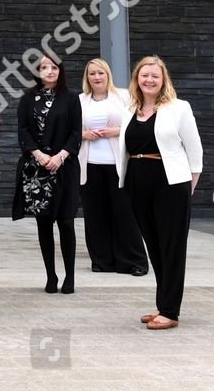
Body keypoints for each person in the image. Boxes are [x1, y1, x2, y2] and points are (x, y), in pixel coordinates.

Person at [117, 55, 202, 331]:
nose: (149, 80)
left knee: (172, 246)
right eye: (144, 75)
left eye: (155, 75)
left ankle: (170, 310)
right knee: (154, 244)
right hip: (137, 183)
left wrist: (189, 186)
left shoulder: (179, 108)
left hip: (170, 183)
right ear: (137, 79)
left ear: (163, 79)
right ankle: (162, 303)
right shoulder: (130, 108)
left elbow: (195, 151)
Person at [12, 56, 82, 295]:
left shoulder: (72, 98)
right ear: (37, 72)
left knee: (66, 222)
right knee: (44, 223)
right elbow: (22, 130)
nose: (49, 71)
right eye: (44, 68)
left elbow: (76, 132)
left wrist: (60, 156)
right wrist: (39, 155)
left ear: (60, 70)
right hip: (37, 169)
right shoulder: (27, 99)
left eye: (54, 67)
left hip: (65, 167)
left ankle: (69, 277)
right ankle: (51, 275)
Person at [78, 58, 147, 276]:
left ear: (108, 75)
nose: (97, 77)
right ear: (87, 78)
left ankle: (134, 261)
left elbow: (137, 123)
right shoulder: (80, 100)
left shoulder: (124, 96)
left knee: (125, 214)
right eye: (92, 74)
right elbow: (69, 131)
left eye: (101, 73)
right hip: (90, 165)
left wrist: (115, 131)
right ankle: (101, 261)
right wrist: (85, 135)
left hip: (117, 165)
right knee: (96, 215)